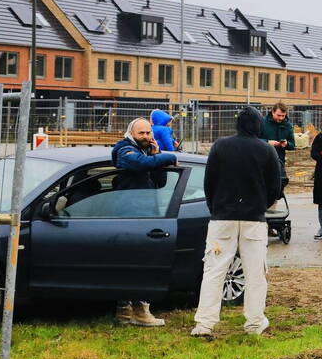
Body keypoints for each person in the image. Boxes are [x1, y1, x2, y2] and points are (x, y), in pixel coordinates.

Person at [191, 107, 282, 337]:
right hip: (254, 220)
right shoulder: (267, 150)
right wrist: (261, 205)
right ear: (259, 125)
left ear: (237, 124)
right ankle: (254, 322)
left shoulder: (220, 146)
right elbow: (275, 187)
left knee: (213, 271)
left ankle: (204, 324)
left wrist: (216, 207)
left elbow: (209, 182)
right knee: (255, 273)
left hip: (222, 218)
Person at [111, 117, 178, 327]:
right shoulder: (124, 150)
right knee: (134, 262)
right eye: (142, 133)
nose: (147, 137)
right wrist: (168, 156)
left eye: (149, 133)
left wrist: (157, 156)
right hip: (128, 216)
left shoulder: (147, 153)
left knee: (138, 262)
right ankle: (135, 311)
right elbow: (140, 165)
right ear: (132, 134)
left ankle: (130, 310)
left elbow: (160, 182)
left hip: (146, 216)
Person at [260, 101, 296, 192]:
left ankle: (273, 203)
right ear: (272, 112)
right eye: (278, 115)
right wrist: (267, 142)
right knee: (263, 188)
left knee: (276, 190)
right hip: (263, 160)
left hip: (279, 161)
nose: (281, 118)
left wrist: (286, 144)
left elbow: (292, 145)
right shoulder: (263, 123)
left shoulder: (287, 125)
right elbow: (254, 140)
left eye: (283, 116)